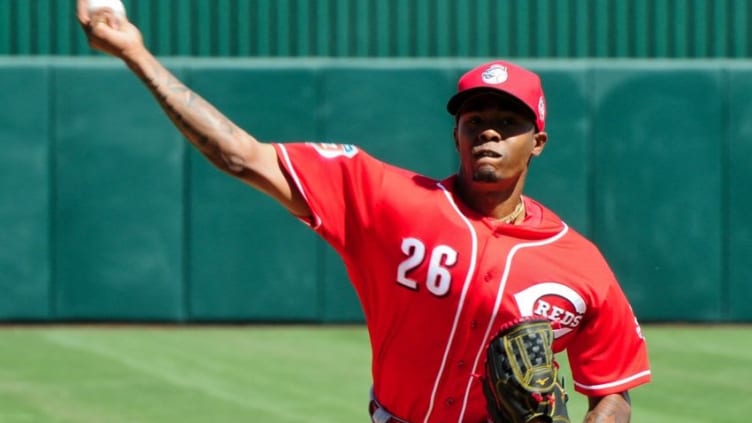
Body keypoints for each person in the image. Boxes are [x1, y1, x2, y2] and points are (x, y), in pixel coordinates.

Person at [77, 3, 651, 423]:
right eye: (475, 118)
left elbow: (613, 390)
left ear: (539, 140)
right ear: (455, 132)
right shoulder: (383, 196)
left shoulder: (580, 265)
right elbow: (237, 153)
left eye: (509, 119)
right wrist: (134, 52)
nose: (490, 129)